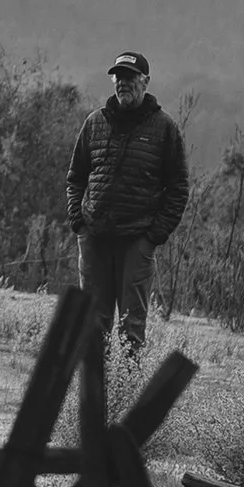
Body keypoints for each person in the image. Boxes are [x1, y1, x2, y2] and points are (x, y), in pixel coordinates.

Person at [66, 50, 191, 363]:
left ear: (145, 81)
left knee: (131, 328)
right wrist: (78, 222)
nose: (122, 83)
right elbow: (76, 176)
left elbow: (178, 187)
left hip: (137, 240)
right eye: (118, 77)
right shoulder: (95, 123)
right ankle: (93, 399)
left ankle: (126, 400)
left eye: (130, 77)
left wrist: (154, 236)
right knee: (93, 325)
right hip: (94, 237)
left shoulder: (165, 129)